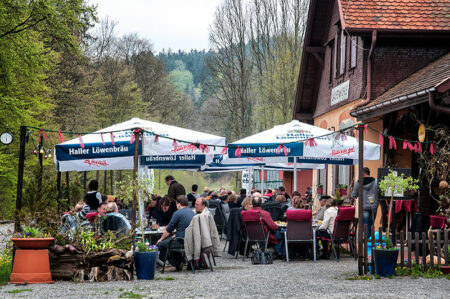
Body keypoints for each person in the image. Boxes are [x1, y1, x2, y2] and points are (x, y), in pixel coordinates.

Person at [157, 196, 195, 271]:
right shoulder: (192, 212)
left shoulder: (177, 213)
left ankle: (174, 264)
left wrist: (160, 239)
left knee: (161, 244)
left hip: (181, 241)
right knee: (169, 241)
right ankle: (179, 262)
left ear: (179, 204)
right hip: (190, 240)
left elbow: (168, 231)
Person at [351, 167, 379, 236]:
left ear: (363, 173)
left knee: (365, 225)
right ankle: (371, 241)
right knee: (372, 224)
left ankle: (367, 241)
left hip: (364, 207)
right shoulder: (376, 181)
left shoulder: (359, 182)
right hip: (374, 206)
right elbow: (381, 192)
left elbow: (354, 195)